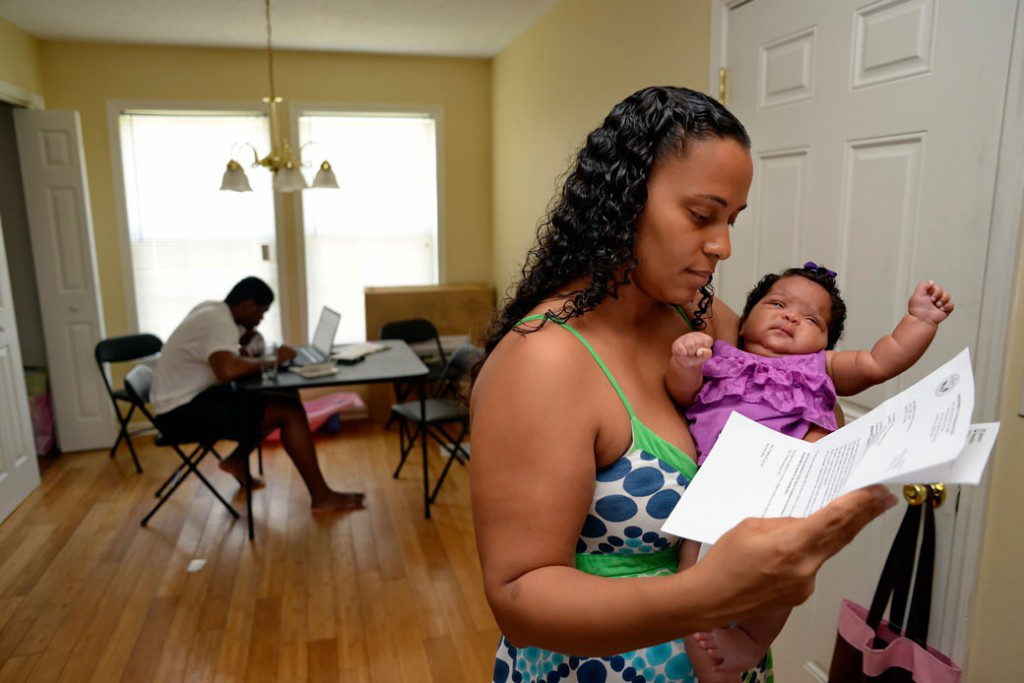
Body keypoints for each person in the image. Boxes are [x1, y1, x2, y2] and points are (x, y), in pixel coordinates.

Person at [471, 86, 898, 683]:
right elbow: (520, 599)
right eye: (702, 215)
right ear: (623, 200)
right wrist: (705, 595)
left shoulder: (692, 313)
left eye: (731, 220)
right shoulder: (544, 360)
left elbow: (791, 394)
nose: (722, 245)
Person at [667, 264, 953, 674]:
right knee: (691, 575)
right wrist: (684, 362)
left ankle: (752, 639)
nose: (790, 316)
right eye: (778, 304)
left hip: (783, 493)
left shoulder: (820, 368)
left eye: (810, 318)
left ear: (823, 341)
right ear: (746, 319)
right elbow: (683, 392)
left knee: (784, 572)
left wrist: (920, 320)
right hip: (717, 490)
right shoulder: (720, 357)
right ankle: (711, 667)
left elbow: (879, 361)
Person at [151, 276, 363, 512]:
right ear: (249, 305)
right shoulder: (220, 322)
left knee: (283, 397)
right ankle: (321, 496)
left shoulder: (212, 309)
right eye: (261, 313)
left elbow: (228, 352)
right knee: (289, 412)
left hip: (181, 403)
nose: (260, 320)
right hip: (181, 415)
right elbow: (227, 369)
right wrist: (271, 360)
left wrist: (251, 345)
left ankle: (238, 459)